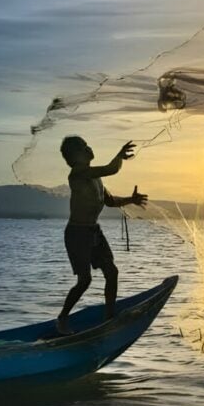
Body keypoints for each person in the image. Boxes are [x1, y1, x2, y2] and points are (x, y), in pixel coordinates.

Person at [55, 136, 147, 335]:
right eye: (83, 147)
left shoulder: (95, 177)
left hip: (93, 231)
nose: (89, 148)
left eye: (88, 144)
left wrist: (131, 199)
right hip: (77, 233)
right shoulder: (78, 173)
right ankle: (62, 318)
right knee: (85, 280)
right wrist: (120, 155)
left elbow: (110, 201)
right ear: (74, 156)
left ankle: (109, 317)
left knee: (111, 272)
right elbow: (111, 168)